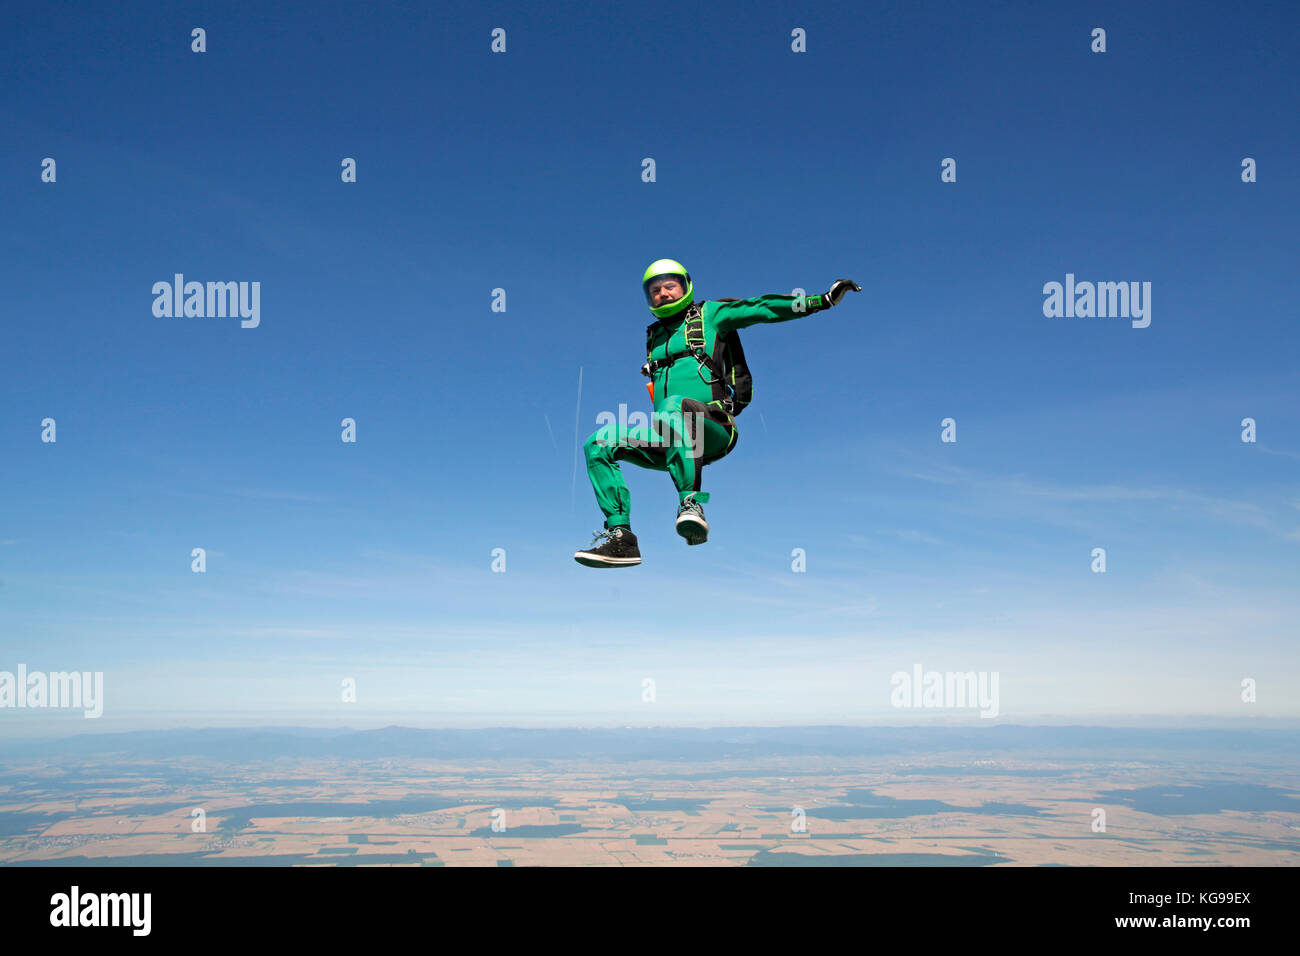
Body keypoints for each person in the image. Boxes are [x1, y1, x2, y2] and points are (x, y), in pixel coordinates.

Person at [573, 258, 861, 567]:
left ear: (685, 286)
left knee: (673, 407)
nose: (663, 294)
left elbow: (762, 308)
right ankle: (621, 538)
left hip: (714, 428)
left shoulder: (710, 314)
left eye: (670, 286)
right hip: (673, 441)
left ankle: (691, 504)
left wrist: (822, 300)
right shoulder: (654, 336)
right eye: (655, 290)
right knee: (599, 442)